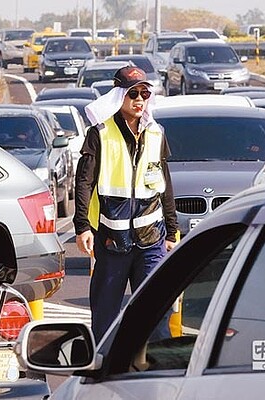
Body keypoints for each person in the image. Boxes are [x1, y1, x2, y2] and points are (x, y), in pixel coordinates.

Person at [73, 65, 179, 342]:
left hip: (151, 238)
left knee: (156, 308)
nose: (140, 100)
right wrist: (82, 226)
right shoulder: (100, 133)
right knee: (105, 315)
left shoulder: (156, 133)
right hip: (112, 241)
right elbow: (84, 181)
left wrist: (172, 228)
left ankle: (156, 367)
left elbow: (164, 182)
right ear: (120, 96)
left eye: (145, 93)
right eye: (133, 93)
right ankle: (102, 366)